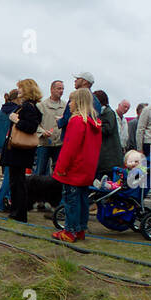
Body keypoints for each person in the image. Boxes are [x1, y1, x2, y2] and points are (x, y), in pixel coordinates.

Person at [51, 76, 103, 243]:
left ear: (78, 102)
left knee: (71, 201)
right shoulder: (94, 123)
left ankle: (70, 231)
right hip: (86, 169)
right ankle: (80, 229)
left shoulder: (77, 121)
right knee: (82, 200)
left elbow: (69, 148)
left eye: (71, 102)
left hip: (73, 169)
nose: (70, 104)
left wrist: (61, 167)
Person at [0, 78, 44, 222]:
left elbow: (31, 127)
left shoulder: (28, 107)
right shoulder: (30, 106)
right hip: (19, 150)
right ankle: (17, 211)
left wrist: (16, 120)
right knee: (16, 181)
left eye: (20, 87)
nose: (18, 90)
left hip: (19, 150)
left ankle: (19, 213)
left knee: (17, 182)